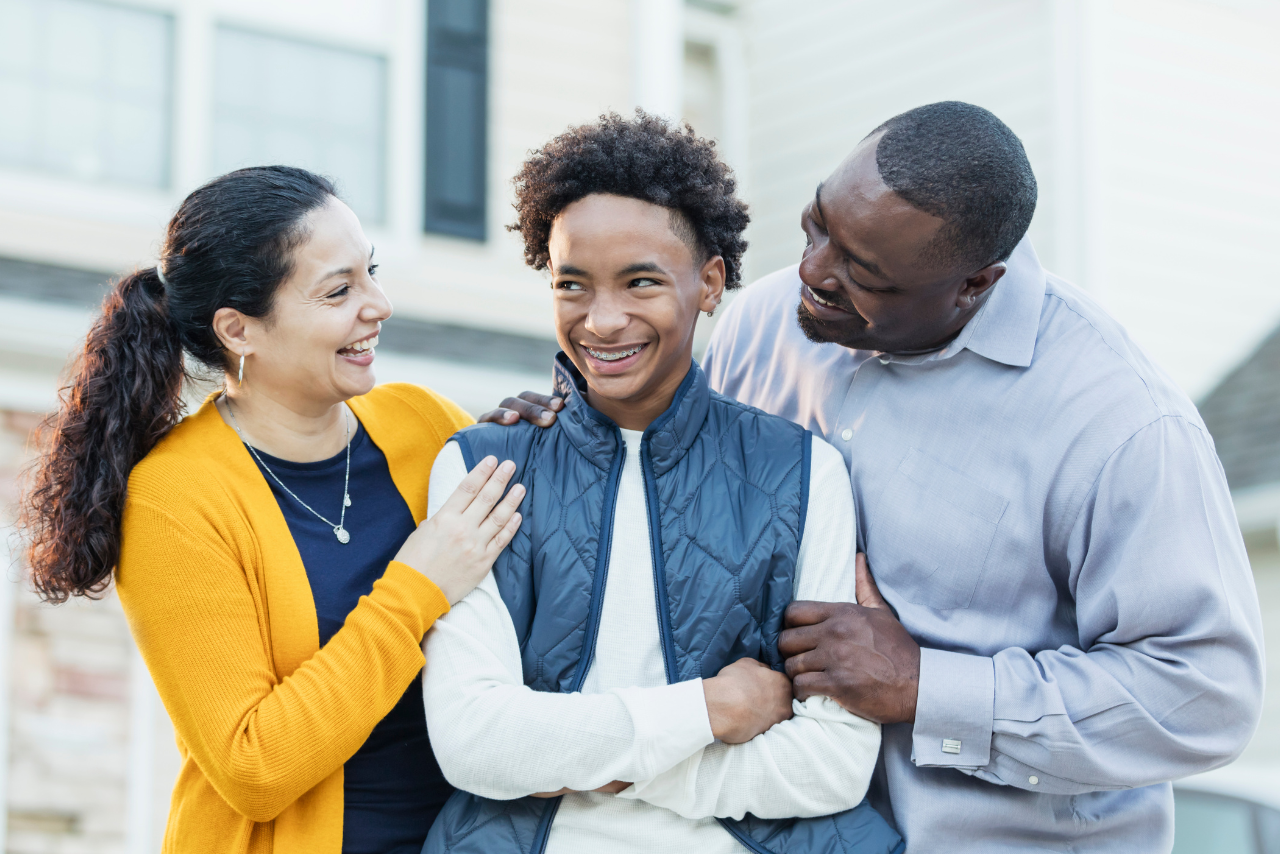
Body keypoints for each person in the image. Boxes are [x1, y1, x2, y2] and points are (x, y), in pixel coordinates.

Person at [483, 102, 1266, 853]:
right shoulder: (764, 326)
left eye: (865, 273)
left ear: (974, 284)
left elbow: (1202, 695)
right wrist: (574, 430)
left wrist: (928, 685)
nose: (814, 273)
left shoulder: (1119, 424)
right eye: (818, 225)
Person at [420, 113, 902, 854]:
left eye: (640, 282)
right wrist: (706, 713)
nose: (602, 321)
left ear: (709, 283)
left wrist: (586, 762)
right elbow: (474, 744)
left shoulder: (802, 473)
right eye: (571, 284)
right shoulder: (484, 467)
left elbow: (831, 767)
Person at [18, 166, 524, 854]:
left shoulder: (424, 422)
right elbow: (253, 765)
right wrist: (417, 590)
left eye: (369, 273)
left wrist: (545, 456)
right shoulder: (178, 499)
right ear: (240, 330)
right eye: (339, 290)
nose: (378, 304)